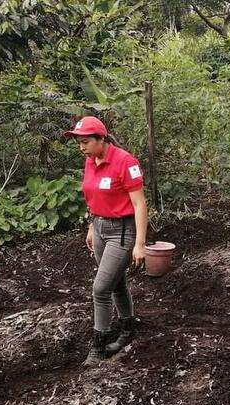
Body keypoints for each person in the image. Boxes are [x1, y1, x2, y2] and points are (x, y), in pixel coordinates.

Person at [64, 116, 148, 366]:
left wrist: (140, 244)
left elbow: (139, 204)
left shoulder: (125, 162)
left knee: (100, 289)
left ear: (102, 138)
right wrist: (92, 225)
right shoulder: (90, 161)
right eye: (78, 142)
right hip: (100, 228)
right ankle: (127, 326)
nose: (82, 147)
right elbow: (94, 196)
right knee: (116, 281)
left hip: (122, 232)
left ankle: (99, 346)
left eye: (86, 141)